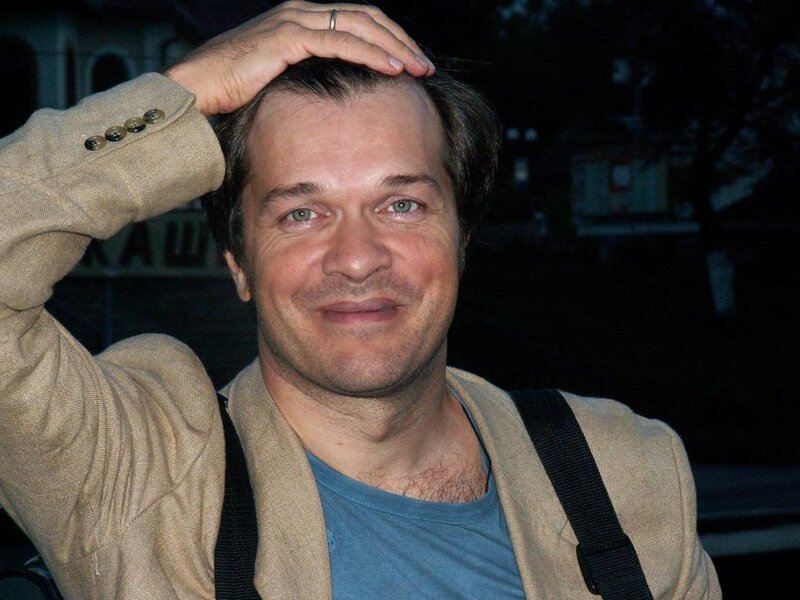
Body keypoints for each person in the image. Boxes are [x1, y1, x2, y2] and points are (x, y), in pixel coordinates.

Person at [0, 1, 720, 598]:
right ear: (239, 265)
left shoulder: (623, 475)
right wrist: (185, 92)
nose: (356, 258)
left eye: (402, 205)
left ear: (461, 240)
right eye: (302, 213)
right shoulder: (134, 477)